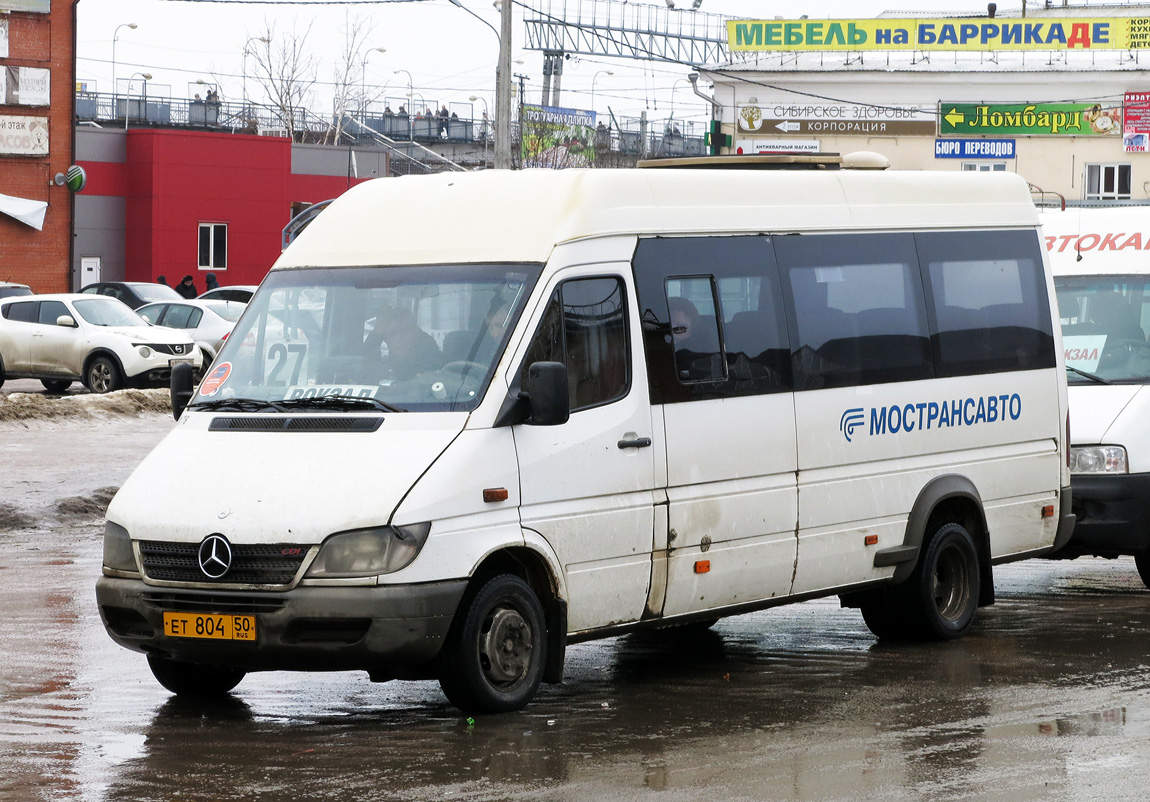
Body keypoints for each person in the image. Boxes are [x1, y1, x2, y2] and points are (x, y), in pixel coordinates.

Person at [363, 304, 444, 379]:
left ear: (416, 333)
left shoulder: (432, 365)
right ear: (386, 339)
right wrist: (377, 333)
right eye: (393, 334)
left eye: (405, 331)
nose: (399, 338)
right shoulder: (387, 365)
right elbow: (362, 369)